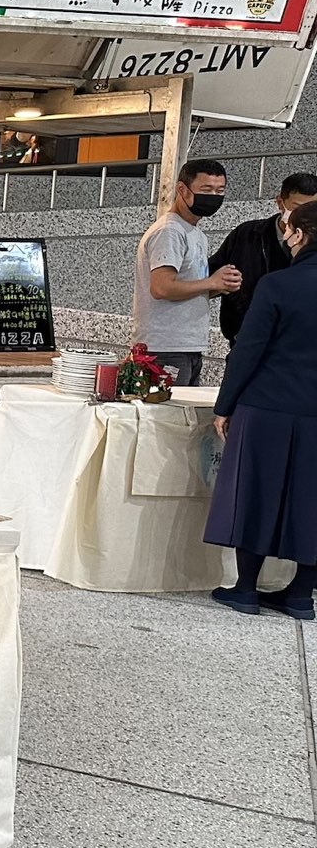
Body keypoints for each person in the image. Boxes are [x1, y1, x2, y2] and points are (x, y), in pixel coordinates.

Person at [205, 199, 317, 622]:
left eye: (288, 230)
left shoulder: (277, 286)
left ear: (300, 235)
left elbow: (248, 351)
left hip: (268, 404)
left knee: (257, 492)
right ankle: (301, 595)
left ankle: (246, 589)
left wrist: (225, 405)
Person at [131, 157, 239, 386]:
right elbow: (161, 287)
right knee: (168, 417)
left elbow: (188, 288)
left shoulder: (195, 233)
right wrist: (211, 282)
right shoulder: (170, 231)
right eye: (206, 189)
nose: (214, 197)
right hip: (165, 347)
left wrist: (220, 286)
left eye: (220, 190)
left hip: (187, 345)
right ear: (182, 189)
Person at [209, 171, 317, 341]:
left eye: (312, 210)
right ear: (280, 203)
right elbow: (211, 278)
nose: (305, 216)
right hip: (245, 337)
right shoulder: (247, 235)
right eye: (297, 208)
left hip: (300, 345)